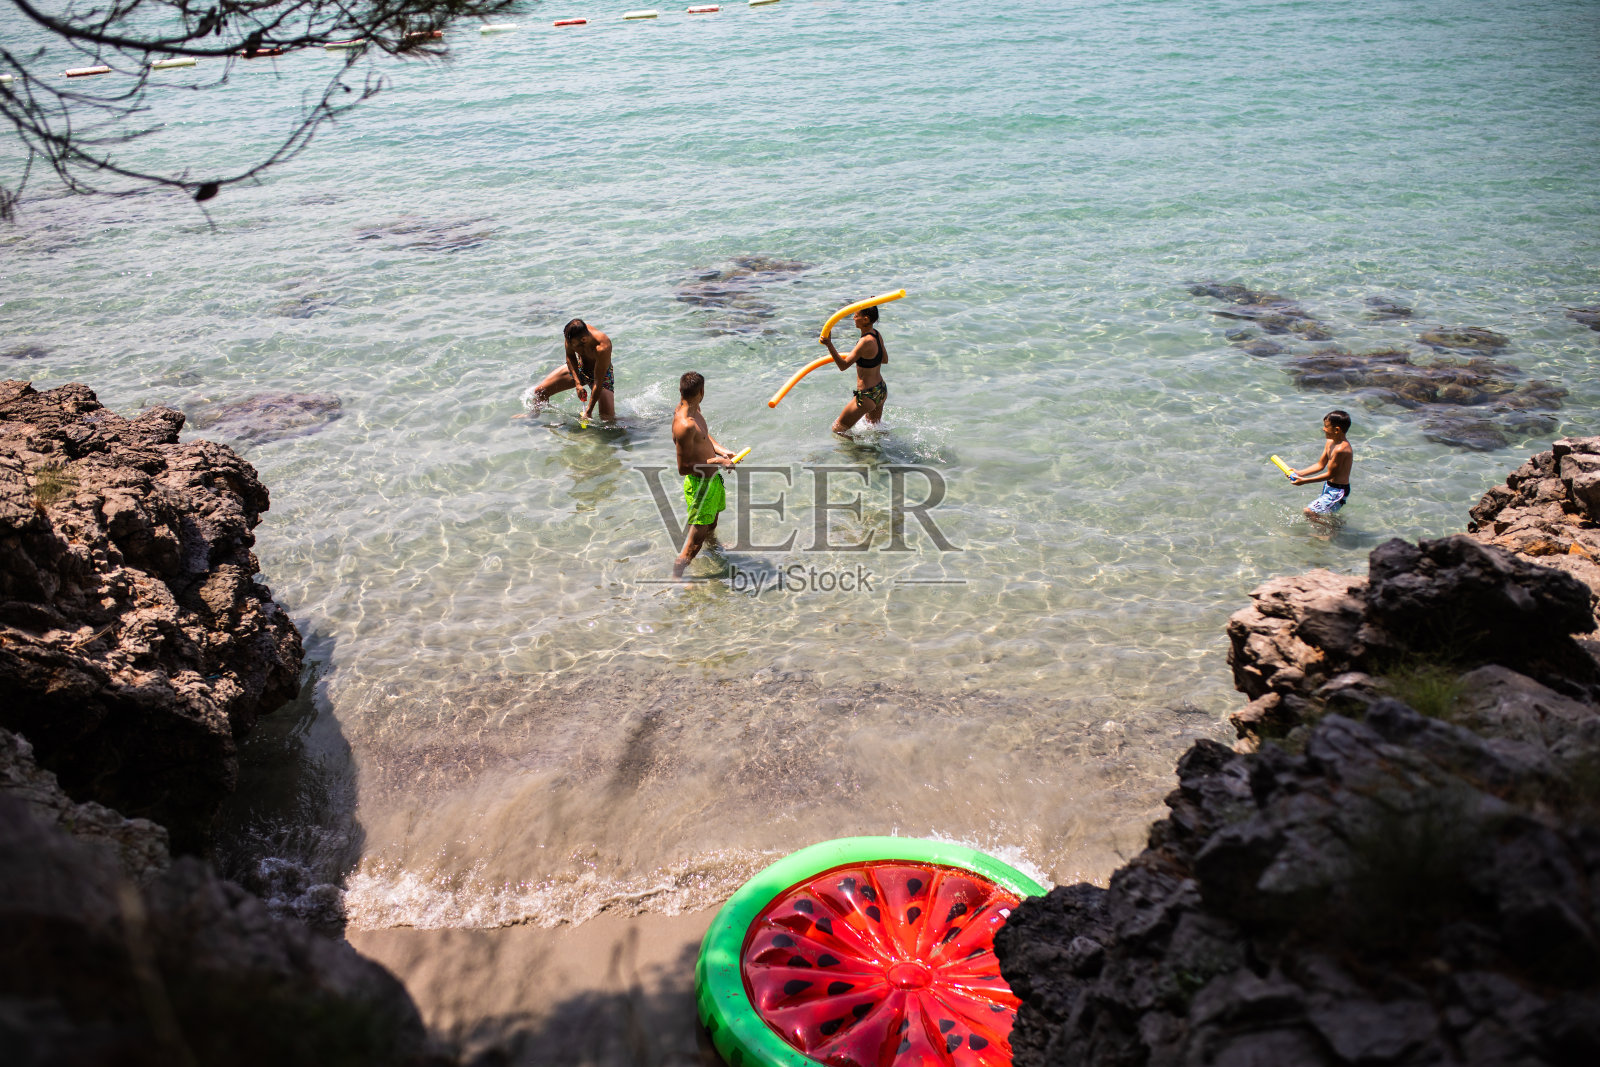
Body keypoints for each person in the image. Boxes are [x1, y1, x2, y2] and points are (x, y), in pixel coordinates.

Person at [672, 372, 738, 578]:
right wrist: (717, 461)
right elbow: (683, 468)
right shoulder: (684, 424)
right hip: (700, 486)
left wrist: (721, 450)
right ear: (702, 391)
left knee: (713, 524)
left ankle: (714, 549)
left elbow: (703, 435)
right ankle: (676, 578)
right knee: (694, 544)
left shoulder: (694, 410)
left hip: (712, 481)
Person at [529, 319, 616, 423]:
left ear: (584, 340)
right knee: (540, 392)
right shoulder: (571, 336)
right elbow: (570, 357)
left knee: (607, 420)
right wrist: (578, 383)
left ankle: (632, 425)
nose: (569, 345)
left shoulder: (602, 347)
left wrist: (588, 412)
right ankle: (533, 419)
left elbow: (598, 381)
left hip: (601, 375)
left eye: (572, 344)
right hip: (580, 367)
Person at [820, 305, 888, 435]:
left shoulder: (864, 342)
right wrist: (866, 357)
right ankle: (874, 454)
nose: (853, 318)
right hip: (881, 390)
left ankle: (857, 453)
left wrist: (829, 344)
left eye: (856, 315)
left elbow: (843, 366)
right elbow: (884, 359)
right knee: (874, 429)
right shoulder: (877, 335)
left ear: (865, 319)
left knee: (838, 429)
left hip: (867, 395)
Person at [1291, 409, 1354, 518]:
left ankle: (1326, 533)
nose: (1323, 429)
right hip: (1329, 486)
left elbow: (1330, 474)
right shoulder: (1330, 442)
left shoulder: (1341, 449)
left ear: (1337, 430)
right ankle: (1334, 529)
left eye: (1326, 426)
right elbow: (1320, 465)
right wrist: (1300, 473)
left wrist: (1304, 481)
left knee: (1309, 511)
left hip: (1338, 491)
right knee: (1326, 514)